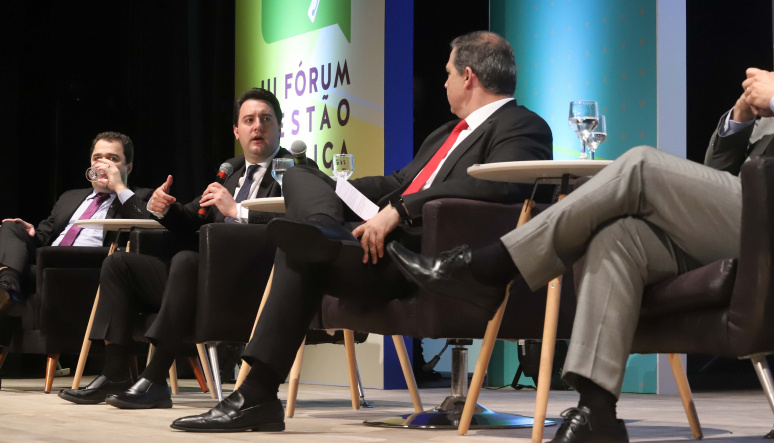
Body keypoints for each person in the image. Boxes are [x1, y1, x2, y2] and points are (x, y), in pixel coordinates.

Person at [385, 0, 774, 443]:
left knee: (638, 164)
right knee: (618, 236)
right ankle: (597, 411)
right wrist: (736, 119)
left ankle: (491, 267)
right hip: (749, 226)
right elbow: (720, 173)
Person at [169, 30, 553, 432]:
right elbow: (397, 181)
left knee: (300, 249)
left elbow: (499, 184)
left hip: (425, 257)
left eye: (448, 74)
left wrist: (400, 210)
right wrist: (334, 187)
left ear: (469, 76)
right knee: (299, 177)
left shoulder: (521, 125)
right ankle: (323, 232)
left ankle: (257, 394)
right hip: (375, 246)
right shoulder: (445, 134)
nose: (444, 83)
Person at [58, 88, 296, 407]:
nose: (258, 126)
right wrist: (163, 208)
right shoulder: (230, 177)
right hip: (203, 281)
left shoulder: (293, 172)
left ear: (280, 127)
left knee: (186, 261)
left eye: (266, 119)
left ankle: (155, 378)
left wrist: (238, 211)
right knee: (120, 265)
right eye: (249, 120)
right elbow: (189, 221)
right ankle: (115, 373)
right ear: (237, 131)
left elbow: (298, 222)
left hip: (255, 284)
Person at [0, 132, 150, 322]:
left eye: (113, 159)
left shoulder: (140, 197)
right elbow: (42, 238)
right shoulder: (69, 197)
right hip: (46, 262)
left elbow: (148, 226)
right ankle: (7, 285)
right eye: (97, 158)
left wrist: (119, 187)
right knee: (11, 227)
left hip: (86, 268)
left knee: (22, 268)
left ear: (128, 168)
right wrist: (27, 231)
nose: (103, 164)